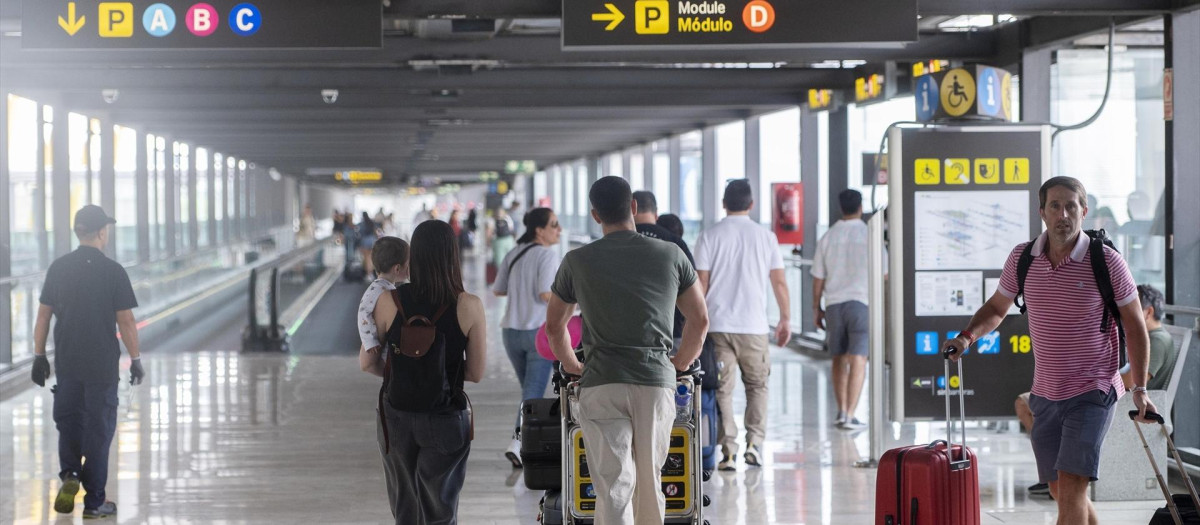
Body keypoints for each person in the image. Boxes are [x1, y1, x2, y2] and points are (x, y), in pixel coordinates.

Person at [943, 176, 1155, 525]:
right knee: (1061, 489)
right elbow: (997, 308)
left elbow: (1134, 325)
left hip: (1093, 390)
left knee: (1072, 487)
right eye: (1055, 206)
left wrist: (1140, 389)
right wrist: (967, 337)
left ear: (1084, 211)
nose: (1063, 214)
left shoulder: (1107, 262)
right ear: (1042, 212)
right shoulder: (1023, 259)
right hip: (1046, 391)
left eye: (1071, 206)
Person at [545, 176, 709, 525]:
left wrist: (573, 364)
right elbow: (700, 320)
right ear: (633, 207)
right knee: (650, 480)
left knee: (613, 483)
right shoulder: (671, 254)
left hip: (601, 381)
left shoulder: (578, 260)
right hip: (655, 382)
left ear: (594, 215)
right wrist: (678, 364)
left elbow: (554, 325)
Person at [359, 220, 487, 525]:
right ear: (451, 256)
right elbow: (476, 372)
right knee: (440, 509)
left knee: (405, 507)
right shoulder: (469, 305)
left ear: (413, 256)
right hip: (445, 417)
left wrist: (405, 375)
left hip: (397, 415)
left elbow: (367, 362)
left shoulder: (390, 300)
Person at [31, 205, 144, 519]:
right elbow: (126, 322)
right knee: (99, 428)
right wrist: (136, 359)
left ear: (78, 232)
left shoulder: (59, 268)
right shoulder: (113, 271)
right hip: (101, 366)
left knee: (69, 422)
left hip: (67, 362)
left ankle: (70, 474)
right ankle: (94, 501)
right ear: (102, 232)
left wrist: (39, 357)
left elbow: (43, 316)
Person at [694, 179, 791, 471]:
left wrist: (696, 322)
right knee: (758, 386)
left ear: (724, 203)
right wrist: (785, 318)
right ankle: (755, 444)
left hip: (718, 325)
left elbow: (701, 283)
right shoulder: (766, 237)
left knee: (723, 389)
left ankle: (729, 451)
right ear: (751, 204)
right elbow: (779, 281)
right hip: (754, 326)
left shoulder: (709, 236)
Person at [492, 208, 563, 468]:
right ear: (539, 230)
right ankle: (518, 442)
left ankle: (532, 439)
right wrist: (574, 303)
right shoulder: (547, 255)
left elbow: (498, 290)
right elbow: (546, 294)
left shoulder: (513, 253)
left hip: (510, 333)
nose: (559, 229)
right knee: (532, 394)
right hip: (537, 333)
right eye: (554, 225)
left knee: (529, 393)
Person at [812, 189, 883, 430]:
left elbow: (818, 278)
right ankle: (851, 414)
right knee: (859, 358)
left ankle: (841, 411)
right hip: (861, 303)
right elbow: (883, 274)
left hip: (834, 304)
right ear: (860, 207)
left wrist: (816, 309)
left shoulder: (829, 236)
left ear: (840, 207)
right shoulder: (869, 235)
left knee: (838, 357)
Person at [633, 191, 695, 344]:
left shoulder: (617, 244)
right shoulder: (676, 243)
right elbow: (694, 291)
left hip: (628, 337)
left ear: (631, 209)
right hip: (671, 332)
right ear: (656, 214)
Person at [357, 237, 410, 358]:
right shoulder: (378, 290)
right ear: (397, 268)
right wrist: (369, 342)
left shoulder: (384, 287)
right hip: (383, 350)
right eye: (409, 263)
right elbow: (363, 312)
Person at [1120, 284, 1176, 391]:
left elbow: (1130, 382)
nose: (1125, 315)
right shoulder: (1149, 336)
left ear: (1149, 312)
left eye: (1132, 309)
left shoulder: (1158, 341)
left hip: (1133, 402)